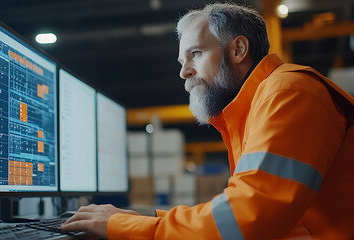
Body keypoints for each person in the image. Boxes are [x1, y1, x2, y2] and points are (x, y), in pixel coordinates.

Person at [61, 3, 354, 239]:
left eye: (196, 54)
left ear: (238, 50)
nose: (184, 72)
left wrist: (128, 228)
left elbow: (248, 218)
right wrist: (145, 219)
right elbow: (253, 212)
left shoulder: (289, 93)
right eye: (182, 61)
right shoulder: (258, 105)